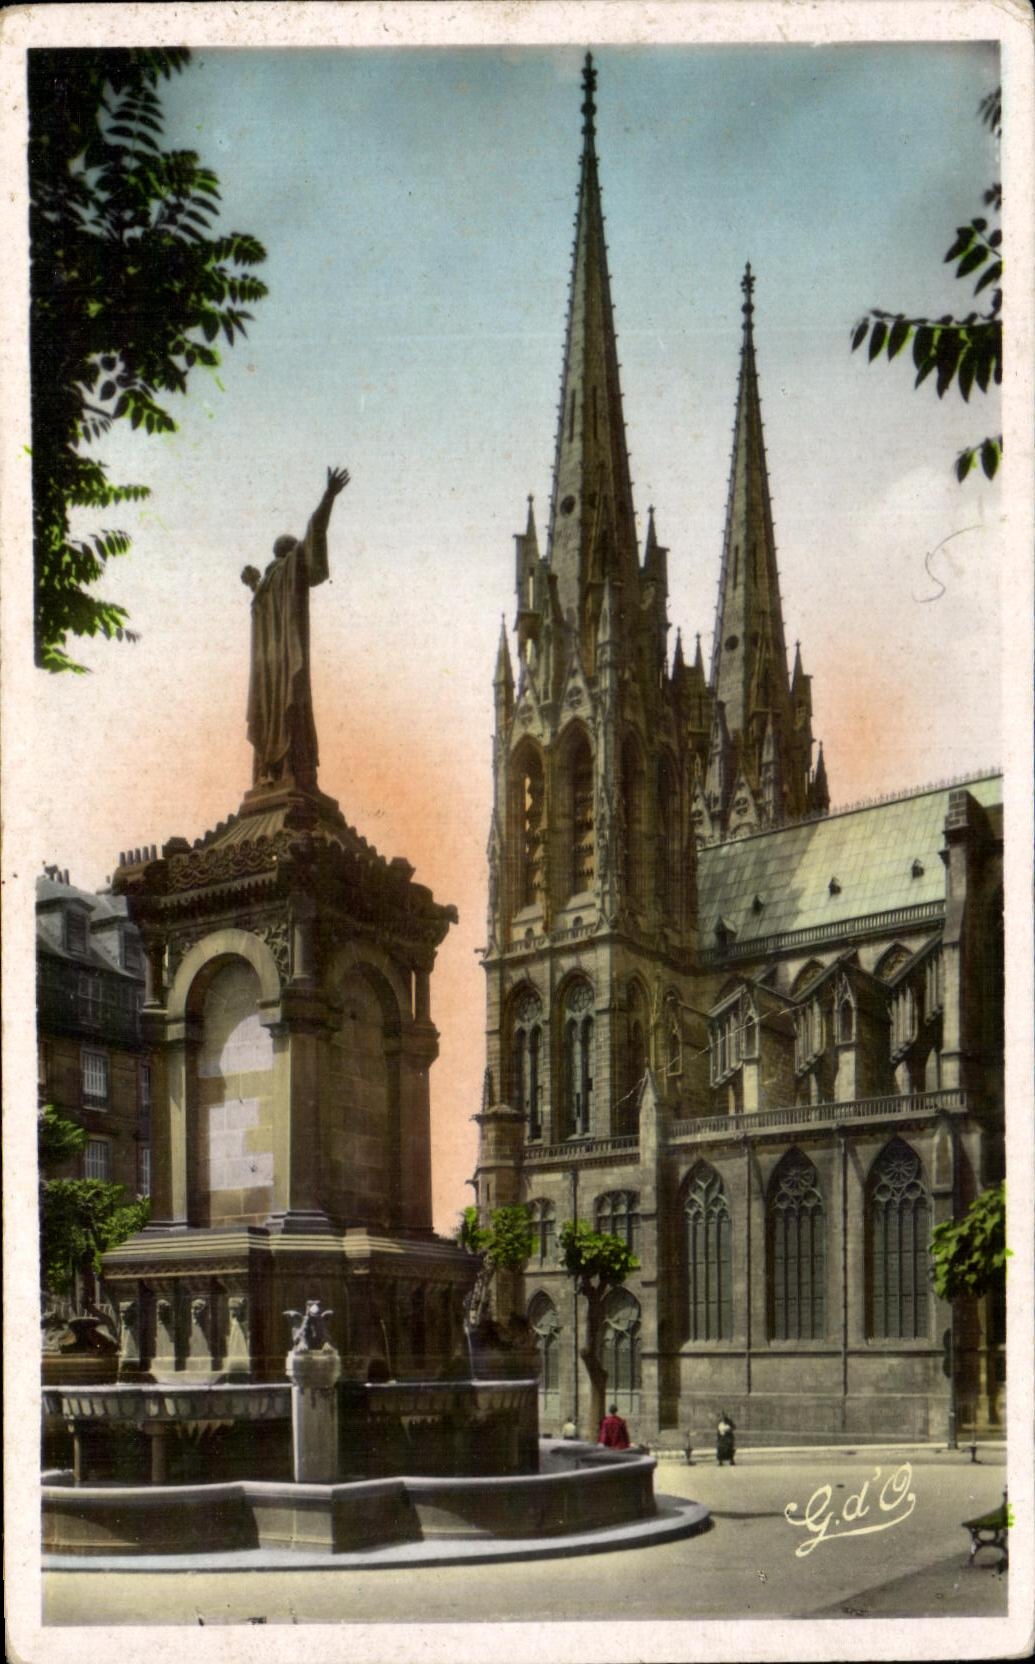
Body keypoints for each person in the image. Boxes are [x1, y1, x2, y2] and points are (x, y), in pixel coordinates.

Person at [242, 465, 350, 792]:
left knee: (279, 711)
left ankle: (276, 772)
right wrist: (328, 496)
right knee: (289, 708)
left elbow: (263, 600)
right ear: (291, 553)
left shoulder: (270, 583)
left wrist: (253, 584)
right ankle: (286, 771)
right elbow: (315, 528)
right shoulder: (287, 571)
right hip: (284, 664)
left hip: (272, 672)